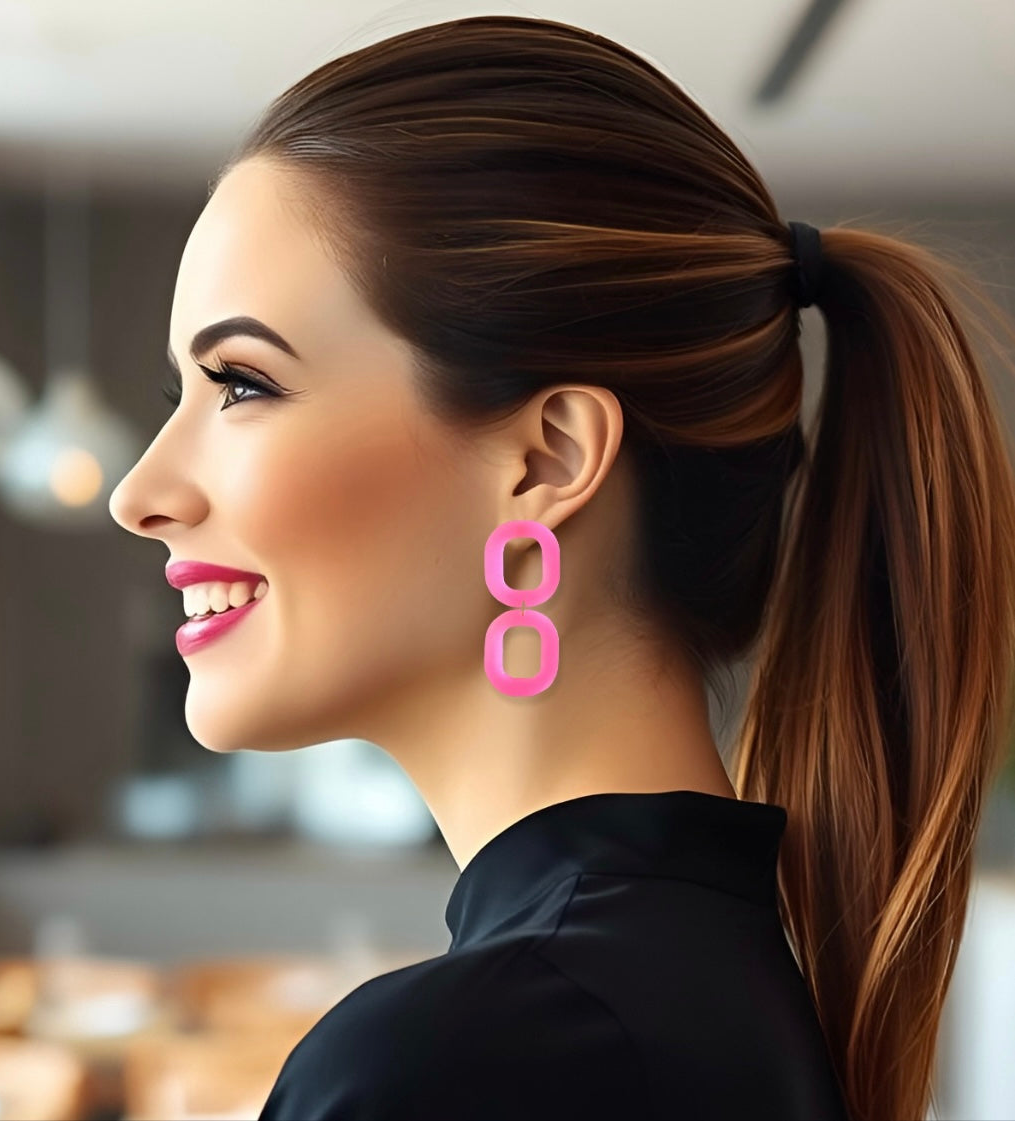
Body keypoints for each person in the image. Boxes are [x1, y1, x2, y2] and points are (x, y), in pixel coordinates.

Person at [108, 15, 1015, 1121]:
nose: (139, 491)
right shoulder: (687, 989)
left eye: (242, 384)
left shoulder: (461, 1059)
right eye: (179, 396)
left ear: (548, 457)